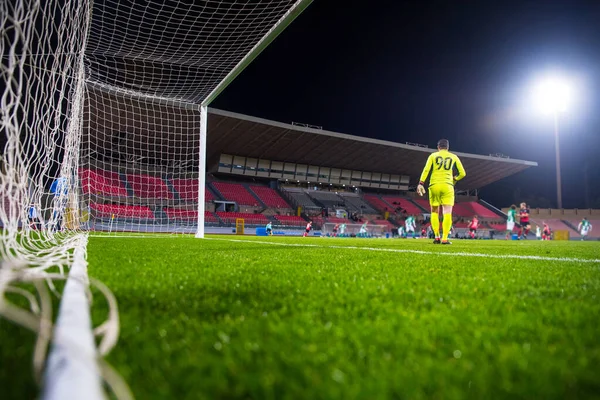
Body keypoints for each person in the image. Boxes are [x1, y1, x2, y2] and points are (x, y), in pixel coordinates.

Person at [417, 139, 466, 244]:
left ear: (438, 147)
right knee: (447, 212)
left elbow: (426, 169)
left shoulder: (433, 156)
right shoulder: (454, 157)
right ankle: (444, 238)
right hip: (447, 186)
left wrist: (421, 183)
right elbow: (462, 173)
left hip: (434, 185)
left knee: (434, 211)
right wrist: (454, 179)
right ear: (448, 147)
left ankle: (436, 237)